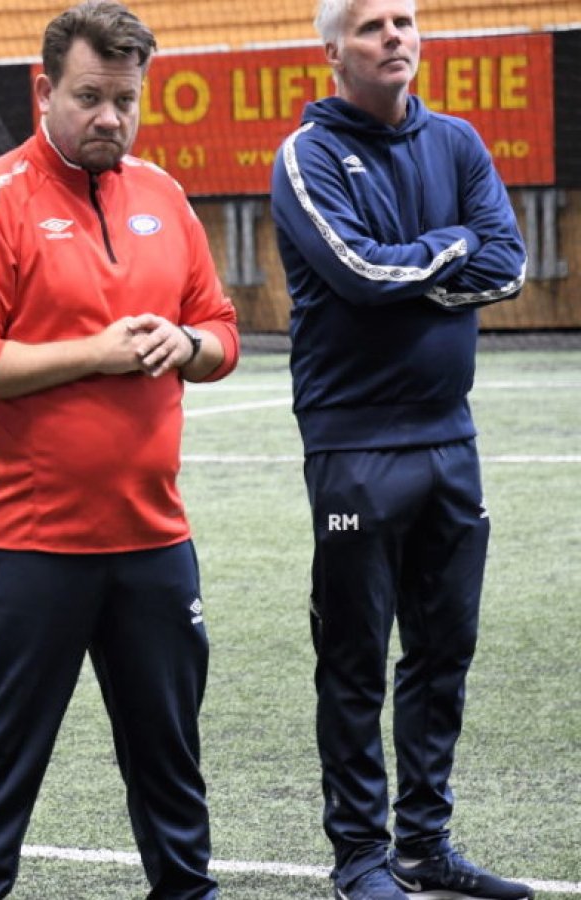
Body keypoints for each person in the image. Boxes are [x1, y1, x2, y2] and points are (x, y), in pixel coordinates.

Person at [0, 3, 240, 897]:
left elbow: (220, 330)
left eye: (127, 100)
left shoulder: (165, 198)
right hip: (25, 549)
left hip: (155, 545)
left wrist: (188, 346)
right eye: (91, 97)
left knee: (173, 772)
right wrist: (98, 354)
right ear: (44, 90)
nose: (111, 117)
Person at [268, 2, 531, 899]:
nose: (396, 36)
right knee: (353, 657)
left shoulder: (458, 144)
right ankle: (358, 859)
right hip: (353, 447)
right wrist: (452, 246)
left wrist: (428, 260)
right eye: (374, 23)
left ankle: (423, 845)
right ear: (333, 48)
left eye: (406, 19)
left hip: (451, 441)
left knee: (443, 649)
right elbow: (357, 274)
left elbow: (509, 264)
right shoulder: (304, 157)